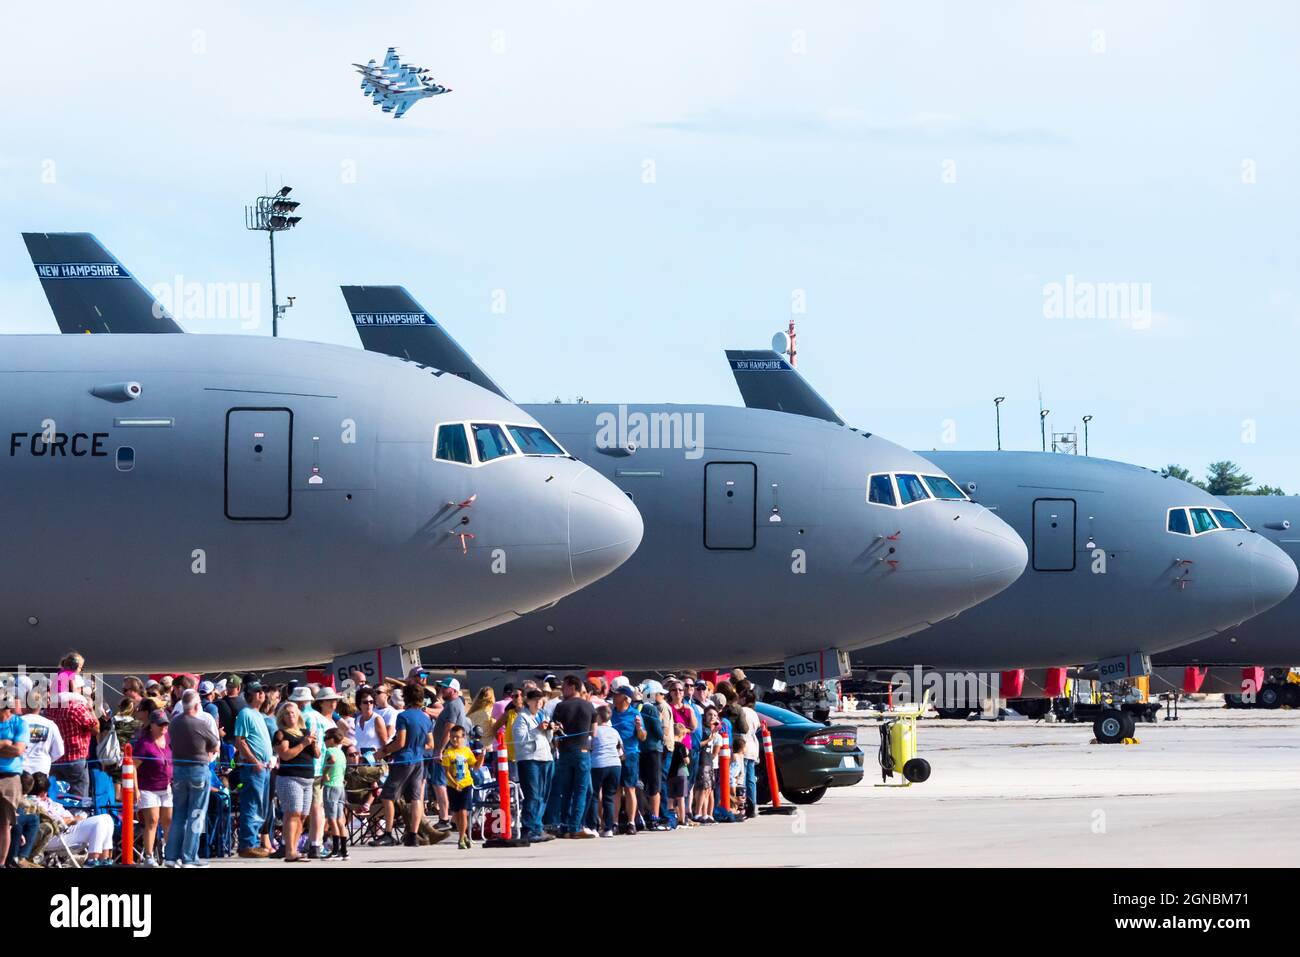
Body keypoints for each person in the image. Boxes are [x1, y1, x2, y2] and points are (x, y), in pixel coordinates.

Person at [163, 690, 218, 867]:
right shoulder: (200, 723)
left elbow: (171, 743)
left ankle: (171, 856)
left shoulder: (174, 723)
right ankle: (189, 857)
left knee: (179, 814)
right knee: (196, 814)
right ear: (196, 705)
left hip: (178, 770)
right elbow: (214, 744)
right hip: (198, 770)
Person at [377, 683, 434, 847]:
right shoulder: (425, 717)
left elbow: (400, 742)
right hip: (419, 760)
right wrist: (417, 747)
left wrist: (384, 751)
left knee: (387, 795)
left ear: (406, 698)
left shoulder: (403, 716)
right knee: (415, 798)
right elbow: (430, 744)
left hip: (403, 760)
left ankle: (388, 833)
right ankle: (413, 835)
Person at [28, 772, 116, 865]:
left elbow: (65, 815)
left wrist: (73, 818)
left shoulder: (48, 801)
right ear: (42, 792)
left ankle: (104, 860)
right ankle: (91, 861)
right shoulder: (33, 804)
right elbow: (54, 822)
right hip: (55, 835)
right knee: (99, 822)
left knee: (107, 818)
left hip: (66, 830)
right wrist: (72, 819)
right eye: (45, 792)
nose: (46, 795)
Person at [546, 674, 595, 839]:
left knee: (565, 790)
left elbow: (555, 729)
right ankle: (575, 826)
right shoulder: (589, 706)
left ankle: (565, 825)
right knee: (581, 790)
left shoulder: (561, 706)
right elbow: (593, 732)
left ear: (573, 687)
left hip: (566, 752)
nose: (562, 689)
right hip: (583, 751)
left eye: (564, 686)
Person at [272, 701, 318, 863]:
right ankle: (290, 851)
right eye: (286, 713)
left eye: (293, 712)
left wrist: (314, 742)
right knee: (293, 813)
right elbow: (285, 755)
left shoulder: (305, 732)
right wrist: (304, 743)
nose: (290, 715)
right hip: (290, 777)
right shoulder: (281, 734)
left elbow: (317, 755)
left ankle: (294, 848)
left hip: (307, 778)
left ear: (298, 714)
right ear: (282, 717)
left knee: (303, 816)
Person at [232, 681, 273, 858]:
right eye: (256, 692)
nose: (261, 694)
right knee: (252, 804)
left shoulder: (259, 715)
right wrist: (254, 761)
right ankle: (248, 844)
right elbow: (240, 740)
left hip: (264, 767)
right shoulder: (245, 713)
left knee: (261, 806)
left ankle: (253, 842)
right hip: (253, 767)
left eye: (262, 691)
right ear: (248, 695)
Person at [512, 688, 555, 843]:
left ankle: (537, 827)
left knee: (543, 795)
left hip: (546, 758)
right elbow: (520, 739)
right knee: (533, 795)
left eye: (541, 700)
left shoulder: (543, 715)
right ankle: (528, 828)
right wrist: (537, 729)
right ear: (527, 701)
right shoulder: (521, 718)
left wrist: (551, 730)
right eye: (535, 700)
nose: (538, 703)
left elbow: (547, 739)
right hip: (530, 759)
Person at [132, 709, 173, 866]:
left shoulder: (168, 739)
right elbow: (133, 766)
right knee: (152, 821)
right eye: (160, 724)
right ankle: (149, 856)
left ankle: (170, 854)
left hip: (166, 786)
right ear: (152, 725)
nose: (164, 727)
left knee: (168, 820)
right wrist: (136, 789)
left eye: (165, 724)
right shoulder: (144, 744)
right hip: (148, 787)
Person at [432, 677, 472, 832]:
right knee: (454, 785)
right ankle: (456, 819)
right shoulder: (453, 705)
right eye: (441, 687)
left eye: (445, 687)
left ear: (454, 690)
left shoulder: (453, 706)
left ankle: (444, 818)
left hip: (449, 753)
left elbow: (450, 729)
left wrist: (439, 750)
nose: (442, 689)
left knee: (439, 783)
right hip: (454, 753)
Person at [46, 687, 99, 804]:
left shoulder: (50, 708)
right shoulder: (76, 708)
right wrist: (90, 709)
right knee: (79, 798)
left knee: (60, 797)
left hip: (56, 759)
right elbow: (95, 729)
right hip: (75, 758)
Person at [608, 685, 646, 834]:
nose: (613, 697)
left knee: (630, 788)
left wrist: (638, 728)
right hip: (614, 755)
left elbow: (643, 737)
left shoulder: (635, 714)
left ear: (625, 698)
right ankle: (615, 822)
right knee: (616, 788)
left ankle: (631, 822)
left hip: (630, 754)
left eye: (616, 695)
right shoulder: (611, 713)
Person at [441, 725, 480, 849]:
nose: (455, 740)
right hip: (453, 786)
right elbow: (446, 772)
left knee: (463, 812)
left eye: (457, 737)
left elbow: (475, 766)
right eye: (452, 737)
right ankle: (464, 836)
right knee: (456, 813)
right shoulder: (448, 752)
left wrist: (482, 756)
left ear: (464, 737)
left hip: (466, 785)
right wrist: (454, 784)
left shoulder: (467, 751)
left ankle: (461, 838)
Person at [0, 694, 28, 865]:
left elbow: (18, 750)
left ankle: (1, 863)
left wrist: (5, 745)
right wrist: (4, 744)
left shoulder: (19, 723)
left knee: (4, 824)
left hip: (9, 779)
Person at [587, 706, 623, 837]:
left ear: (598, 717)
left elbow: (589, 746)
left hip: (598, 764)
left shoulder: (594, 732)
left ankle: (593, 826)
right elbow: (620, 750)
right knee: (609, 797)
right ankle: (608, 828)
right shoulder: (615, 732)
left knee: (594, 796)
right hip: (615, 765)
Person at [20, 693, 64, 776]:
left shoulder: (15, 723)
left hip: (20, 771)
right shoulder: (50, 725)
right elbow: (59, 751)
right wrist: (45, 759)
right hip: (42, 771)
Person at [322, 728, 348, 860]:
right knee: (339, 820)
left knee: (332, 820)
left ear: (332, 740)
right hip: (340, 787)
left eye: (325, 738)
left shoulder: (330, 750)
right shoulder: (341, 752)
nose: (324, 741)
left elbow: (331, 760)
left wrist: (324, 773)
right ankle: (344, 850)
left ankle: (336, 850)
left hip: (331, 786)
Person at [692, 706, 720, 825]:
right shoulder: (703, 730)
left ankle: (706, 813)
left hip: (710, 762)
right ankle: (698, 812)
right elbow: (698, 744)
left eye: (714, 715)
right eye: (710, 715)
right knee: (702, 789)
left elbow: (715, 750)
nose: (712, 717)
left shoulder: (713, 731)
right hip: (702, 761)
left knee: (708, 789)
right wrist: (710, 739)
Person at [738, 688, 761, 818]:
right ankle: (753, 806)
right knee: (751, 779)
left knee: (743, 777)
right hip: (753, 747)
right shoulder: (754, 713)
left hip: (744, 745)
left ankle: (745, 806)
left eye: (740, 697)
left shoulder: (743, 711)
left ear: (744, 699)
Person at [352, 688, 391, 763]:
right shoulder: (357, 719)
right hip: (359, 761)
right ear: (359, 704)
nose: (369, 704)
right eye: (365, 702)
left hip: (374, 762)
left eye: (371, 702)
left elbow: (385, 745)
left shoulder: (377, 719)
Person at [667, 723, 691, 826]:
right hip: (681, 773)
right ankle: (682, 819)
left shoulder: (669, 745)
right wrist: (688, 759)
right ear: (682, 735)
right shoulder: (682, 746)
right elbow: (686, 760)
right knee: (681, 797)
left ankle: (669, 817)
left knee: (670, 797)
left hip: (670, 773)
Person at [215, 674, 246, 741]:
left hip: (226, 741)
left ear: (226, 687)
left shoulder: (219, 703)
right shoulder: (245, 703)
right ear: (238, 688)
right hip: (241, 741)